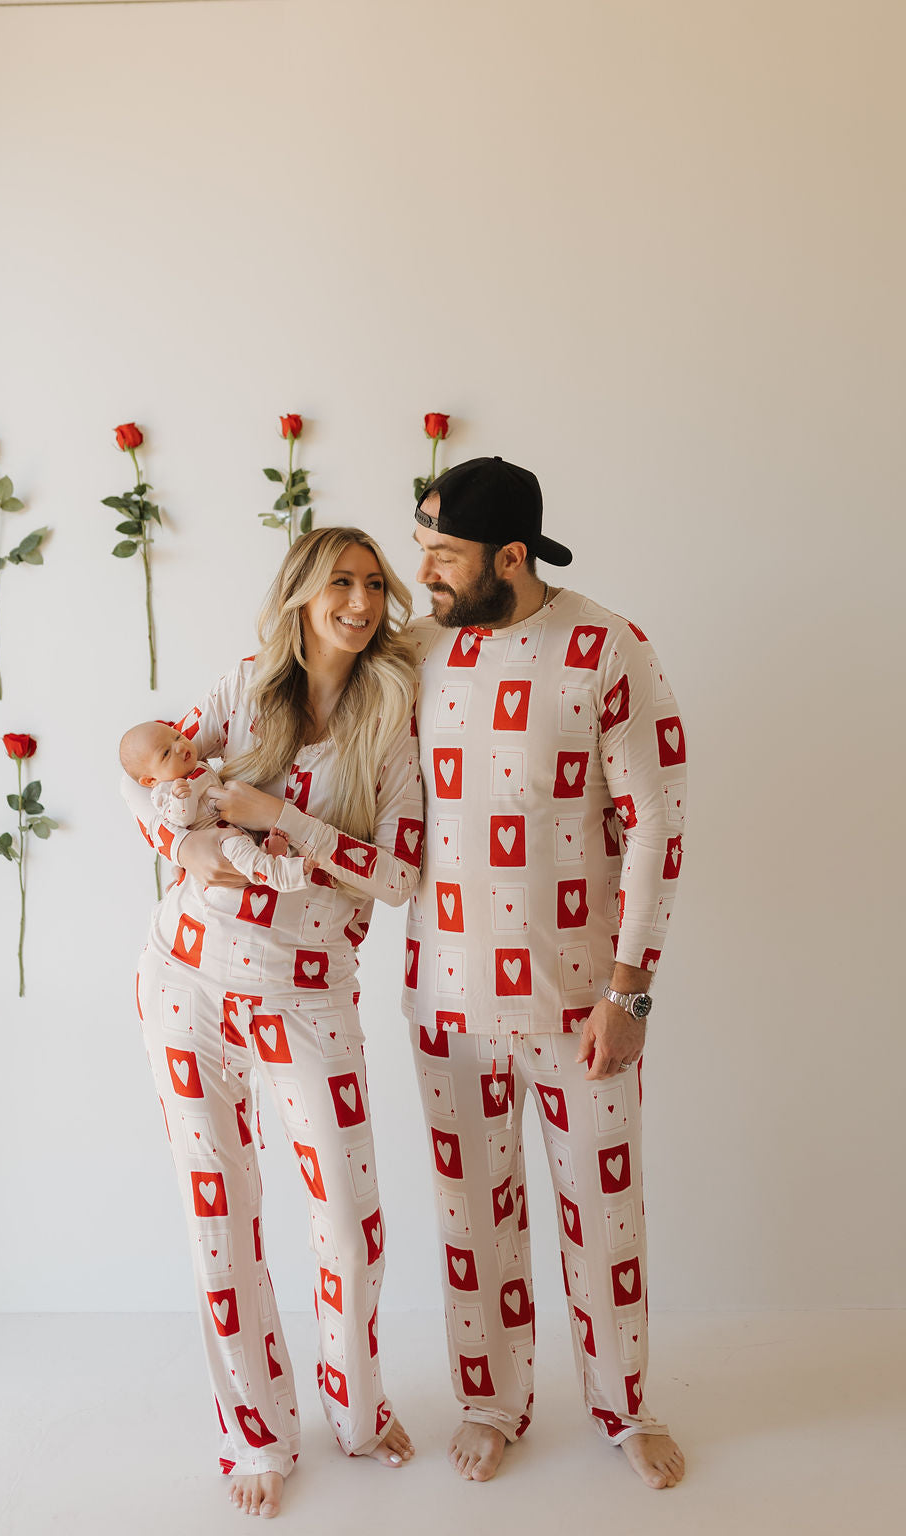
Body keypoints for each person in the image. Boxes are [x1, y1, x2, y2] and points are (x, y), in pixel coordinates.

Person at [122, 528, 422, 1519]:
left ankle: (357, 1409)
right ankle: (254, 1431)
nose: (360, 600)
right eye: (339, 581)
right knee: (221, 1225)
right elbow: (147, 780)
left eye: (375, 584)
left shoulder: (393, 720)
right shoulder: (245, 686)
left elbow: (401, 875)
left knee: (349, 1224)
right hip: (187, 982)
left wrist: (279, 818)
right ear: (298, 594)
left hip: (306, 997)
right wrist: (189, 842)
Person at [404, 456, 687, 1490]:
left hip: (580, 1006)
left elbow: (656, 819)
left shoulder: (607, 647)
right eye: (421, 547)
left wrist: (629, 991)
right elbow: (289, 694)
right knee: (469, 1213)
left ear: (509, 556)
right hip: (444, 999)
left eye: (442, 553)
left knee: (603, 1215)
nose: (422, 572)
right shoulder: (416, 652)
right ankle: (492, 1398)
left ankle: (624, 1407)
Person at [119, 719, 311, 893]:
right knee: (237, 847)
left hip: (233, 823)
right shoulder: (164, 791)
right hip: (216, 840)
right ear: (151, 779)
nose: (178, 746)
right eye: (166, 753)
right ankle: (280, 874)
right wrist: (180, 799)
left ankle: (267, 851)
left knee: (251, 839)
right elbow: (180, 819)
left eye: (177, 736)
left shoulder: (199, 765)